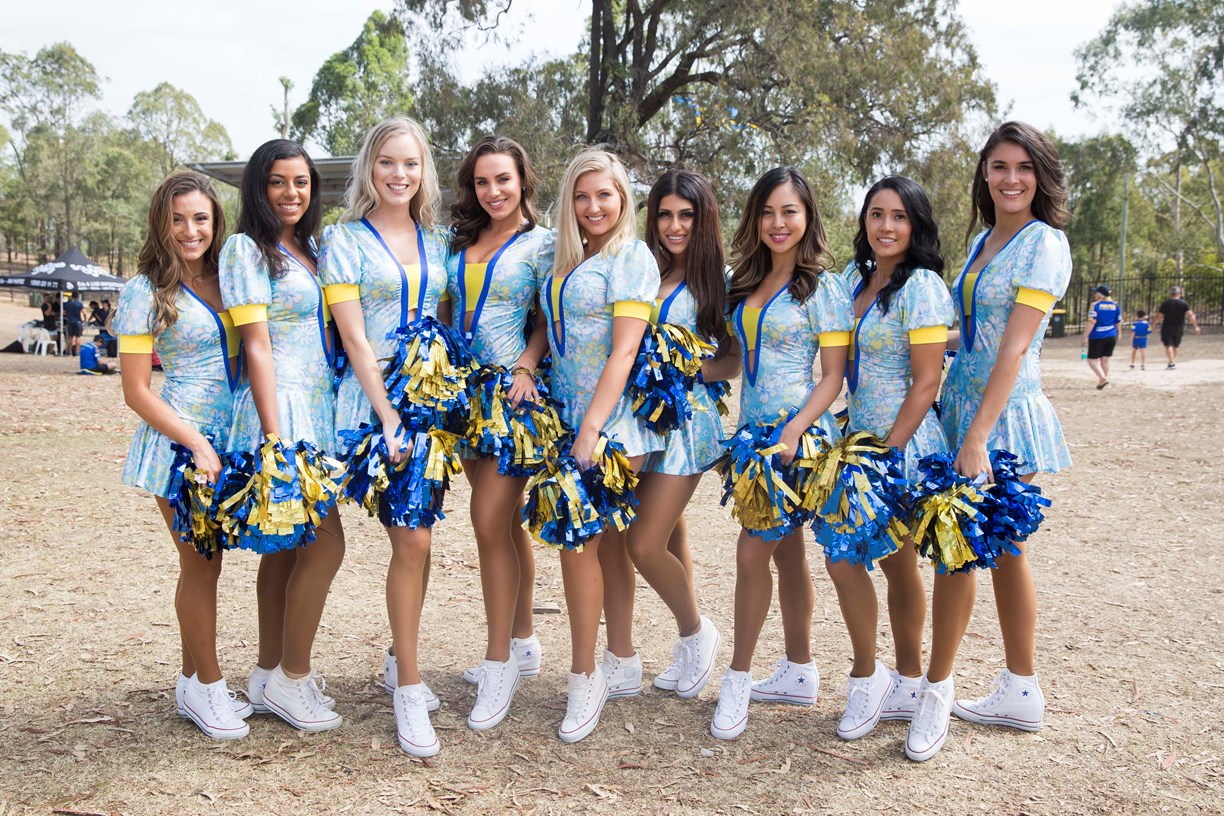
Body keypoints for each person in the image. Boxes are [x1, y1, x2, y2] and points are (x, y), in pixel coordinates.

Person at [905, 121, 1073, 763]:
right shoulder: (984, 238)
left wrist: (977, 437)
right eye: (999, 166)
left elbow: (1015, 348)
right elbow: (971, 334)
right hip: (961, 406)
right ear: (984, 172)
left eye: (1024, 168)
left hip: (1002, 416)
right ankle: (1021, 689)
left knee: (961, 549)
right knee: (1003, 550)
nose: (1011, 179)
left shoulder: (1044, 244)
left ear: (1041, 176)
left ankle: (937, 690)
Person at [319, 117, 453, 756]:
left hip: (426, 404)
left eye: (411, 164)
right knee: (384, 539)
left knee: (417, 539)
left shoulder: (438, 240)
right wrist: (388, 414)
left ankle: (403, 668)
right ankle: (402, 686)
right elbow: (353, 337)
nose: (400, 175)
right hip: (365, 403)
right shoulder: (342, 240)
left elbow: (441, 319)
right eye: (387, 163)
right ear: (368, 169)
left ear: (424, 172)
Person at [709, 167, 853, 741]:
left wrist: (793, 431)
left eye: (789, 211)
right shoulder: (743, 284)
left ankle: (737, 679)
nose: (778, 222)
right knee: (786, 555)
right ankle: (799, 669)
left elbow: (833, 377)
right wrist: (685, 368)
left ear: (807, 216)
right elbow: (734, 361)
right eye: (768, 212)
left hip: (799, 440)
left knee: (751, 554)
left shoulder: (824, 288)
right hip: (754, 438)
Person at [114, 171, 246, 738]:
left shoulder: (231, 276)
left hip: (230, 438)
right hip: (180, 445)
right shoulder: (144, 291)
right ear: (160, 224)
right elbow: (136, 390)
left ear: (216, 222)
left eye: (200, 218)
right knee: (201, 564)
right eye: (177, 220)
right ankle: (208, 688)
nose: (190, 230)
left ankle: (192, 682)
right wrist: (194, 441)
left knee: (210, 562)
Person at [537, 147, 662, 743]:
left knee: (577, 544)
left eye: (604, 195)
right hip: (567, 417)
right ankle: (623, 659)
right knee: (606, 547)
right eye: (582, 196)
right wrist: (527, 363)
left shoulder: (631, 257)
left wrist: (590, 430)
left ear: (623, 199)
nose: (593, 207)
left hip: (612, 425)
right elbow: (548, 327)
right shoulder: (565, 257)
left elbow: (625, 349)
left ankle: (584, 676)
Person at [220, 139, 345, 733]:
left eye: (301, 181)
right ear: (258, 188)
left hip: (318, 408)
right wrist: (275, 439)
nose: (291, 193)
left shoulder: (313, 249)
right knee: (326, 546)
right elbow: (258, 346)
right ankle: (293, 678)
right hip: (281, 410)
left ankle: (268, 674)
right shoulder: (247, 249)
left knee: (287, 549)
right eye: (277, 181)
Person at [826, 176, 954, 742]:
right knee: (847, 558)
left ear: (915, 225)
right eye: (876, 214)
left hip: (902, 444)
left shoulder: (921, 286)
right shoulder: (852, 280)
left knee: (899, 563)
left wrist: (890, 452)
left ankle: (908, 679)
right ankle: (878, 676)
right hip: (856, 441)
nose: (886, 226)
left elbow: (927, 382)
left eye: (899, 216)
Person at [599, 169, 734, 704]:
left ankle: (698, 632)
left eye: (686, 215)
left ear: (703, 219)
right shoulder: (641, 267)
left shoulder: (719, 280)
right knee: (669, 535)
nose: (675, 226)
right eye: (665, 215)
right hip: (637, 420)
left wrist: (683, 368)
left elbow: (733, 360)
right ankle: (680, 644)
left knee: (644, 542)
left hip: (687, 425)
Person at [443, 135, 554, 733]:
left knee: (487, 522)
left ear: (523, 181)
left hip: (514, 397)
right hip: (463, 399)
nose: (493, 192)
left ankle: (498, 664)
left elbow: (549, 318)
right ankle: (523, 640)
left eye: (503, 180)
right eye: (482, 182)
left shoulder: (543, 244)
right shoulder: (459, 240)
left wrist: (527, 365)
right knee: (506, 525)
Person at [1081, 284, 1119, 389]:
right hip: (1111, 335)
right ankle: (1103, 381)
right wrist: (1119, 333)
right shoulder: (1115, 305)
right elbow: (1118, 321)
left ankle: (1102, 378)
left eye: (1096, 292)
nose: (1094, 294)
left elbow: (1092, 321)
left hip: (1097, 335)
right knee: (1105, 360)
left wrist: (1085, 336)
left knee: (1092, 360)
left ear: (1100, 294)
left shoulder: (1095, 305)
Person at [1155, 285, 1200, 369]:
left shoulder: (1165, 303)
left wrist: (1152, 325)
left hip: (1167, 327)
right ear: (1179, 294)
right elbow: (1191, 315)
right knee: (1175, 346)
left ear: (1171, 294)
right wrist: (1196, 326)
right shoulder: (1184, 303)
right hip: (1179, 327)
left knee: (1168, 345)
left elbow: (1158, 316)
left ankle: (1171, 362)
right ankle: (1171, 362)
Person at [63, 292, 86, 356]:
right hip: (78, 321)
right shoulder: (79, 304)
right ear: (78, 297)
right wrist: (85, 319)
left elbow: (64, 312)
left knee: (70, 337)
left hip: (70, 321)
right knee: (77, 337)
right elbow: (84, 312)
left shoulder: (68, 304)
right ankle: (77, 351)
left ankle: (70, 351)